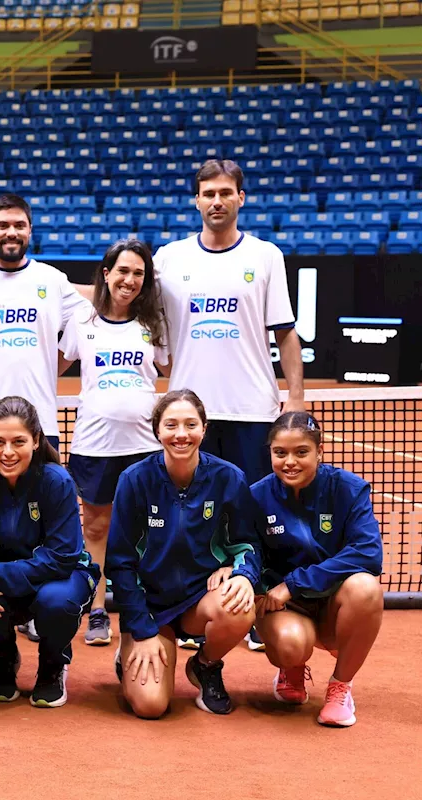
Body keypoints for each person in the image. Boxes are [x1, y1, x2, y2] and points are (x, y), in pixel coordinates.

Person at [153, 159, 305, 652]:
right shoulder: (169, 259)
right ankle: (196, 611)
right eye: (207, 193)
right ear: (196, 200)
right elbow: (133, 311)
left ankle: (259, 606)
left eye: (225, 192)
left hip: (253, 408)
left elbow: (286, 334)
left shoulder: (265, 256)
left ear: (242, 198)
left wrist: (296, 402)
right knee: (194, 514)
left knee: (255, 514)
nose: (216, 200)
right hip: (192, 416)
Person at [106, 389, 263, 718]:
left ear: (204, 428)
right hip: (150, 607)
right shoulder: (134, 481)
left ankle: (205, 665)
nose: (181, 434)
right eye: (171, 425)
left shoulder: (228, 478)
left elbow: (248, 544)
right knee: (151, 706)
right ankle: (132, 648)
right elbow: (119, 565)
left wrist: (242, 574)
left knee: (237, 604)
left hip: (198, 600)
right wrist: (142, 629)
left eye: (191, 424)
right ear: (158, 430)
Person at [0, 396, 99, 708]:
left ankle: (53, 664)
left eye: (19, 441)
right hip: (1, 583)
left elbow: (61, 558)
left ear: (36, 440)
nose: (8, 452)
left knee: (56, 602)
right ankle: (3, 658)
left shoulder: (57, 481)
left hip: (59, 580)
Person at [57, 239, 169, 646]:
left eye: (138, 273)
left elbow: (174, 367)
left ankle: (150, 608)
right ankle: (98, 611)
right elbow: (54, 363)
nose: (129, 279)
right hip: (94, 445)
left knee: (148, 529)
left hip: (144, 445)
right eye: (122, 270)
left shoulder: (153, 324)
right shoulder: (83, 322)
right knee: (97, 528)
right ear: (106, 274)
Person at [250, 411, 384, 727]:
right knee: (291, 646)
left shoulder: (349, 489)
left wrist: (294, 584)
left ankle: (341, 687)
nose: (290, 461)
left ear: (319, 451)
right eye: (280, 453)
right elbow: (249, 553)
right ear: (270, 452)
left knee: (366, 588)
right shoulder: (256, 496)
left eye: (301, 452)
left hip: (334, 602)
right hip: (286, 607)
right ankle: (291, 668)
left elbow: (369, 552)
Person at [0, 194, 91, 470]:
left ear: (29, 231)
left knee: (41, 510)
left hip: (40, 424)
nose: (11, 232)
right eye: (2, 225)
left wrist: (53, 364)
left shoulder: (52, 280)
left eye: (19, 225)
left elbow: (88, 320)